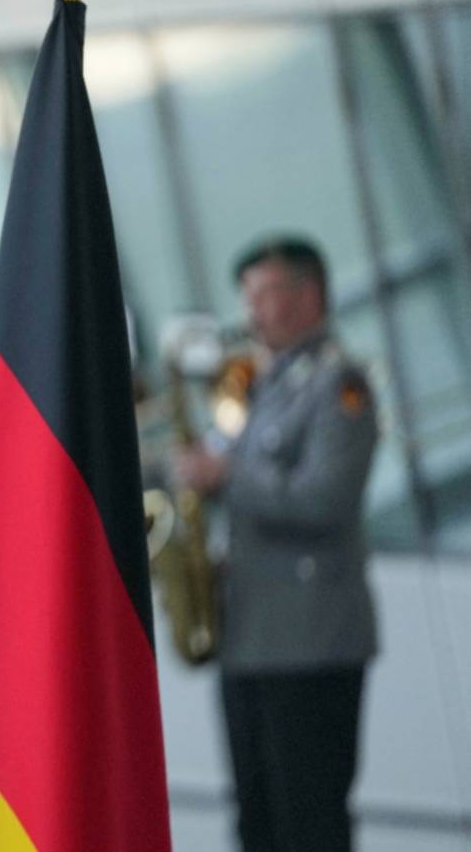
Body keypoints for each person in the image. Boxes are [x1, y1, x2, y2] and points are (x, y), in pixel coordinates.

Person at [175, 236, 379, 852]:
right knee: (256, 820)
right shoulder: (254, 385)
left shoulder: (339, 385)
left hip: (309, 640)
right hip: (250, 637)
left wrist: (227, 474)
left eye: (264, 294)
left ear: (308, 295)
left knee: (309, 821)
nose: (252, 311)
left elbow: (325, 499)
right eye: (249, 296)